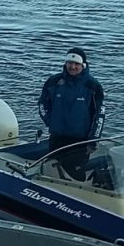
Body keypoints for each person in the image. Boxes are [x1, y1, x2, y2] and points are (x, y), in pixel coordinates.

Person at [38, 47, 105, 179]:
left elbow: (100, 116)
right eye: (70, 63)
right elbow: (42, 104)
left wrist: (93, 140)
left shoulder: (93, 86)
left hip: (79, 142)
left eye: (76, 64)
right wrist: (50, 121)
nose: (72, 67)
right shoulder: (53, 82)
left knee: (75, 176)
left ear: (83, 65)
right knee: (52, 172)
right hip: (57, 138)